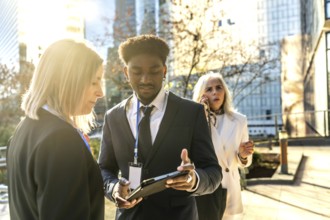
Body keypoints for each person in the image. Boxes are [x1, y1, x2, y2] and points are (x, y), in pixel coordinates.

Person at [98, 34, 222, 220]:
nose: (145, 79)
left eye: (154, 71)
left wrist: (194, 179)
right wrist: (114, 187)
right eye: (137, 72)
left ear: (164, 71)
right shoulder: (112, 117)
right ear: (126, 72)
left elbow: (213, 172)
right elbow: (104, 170)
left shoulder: (192, 113)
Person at [7, 39, 105, 220]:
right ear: (68, 80)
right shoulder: (61, 140)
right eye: (94, 82)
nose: (100, 92)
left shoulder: (24, 129)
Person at [193, 72, 254, 220]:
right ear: (202, 94)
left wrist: (243, 156)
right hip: (206, 189)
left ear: (224, 91)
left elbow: (245, 162)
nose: (215, 92)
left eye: (218, 87)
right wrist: (201, 114)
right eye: (209, 89)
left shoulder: (240, 120)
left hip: (230, 187)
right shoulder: (195, 121)